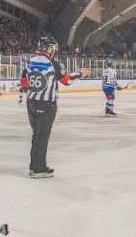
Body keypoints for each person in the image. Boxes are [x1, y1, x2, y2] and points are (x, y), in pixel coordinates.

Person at [23, 36, 90, 179]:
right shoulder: (51, 63)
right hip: (46, 104)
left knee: (36, 134)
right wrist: (80, 74)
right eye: (52, 48)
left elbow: (23, 82)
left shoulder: (30, 62)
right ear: (48, 49)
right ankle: (39, 169)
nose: (54, 51)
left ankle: (33, 166)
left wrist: (30, 92)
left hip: (31, 103)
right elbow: (66, 80)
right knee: (42, 137)